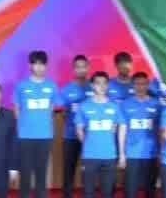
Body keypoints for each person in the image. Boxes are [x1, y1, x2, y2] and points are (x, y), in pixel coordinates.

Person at [13, 51, 62, 198]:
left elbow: (53, 106)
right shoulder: (21, 86)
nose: (39, 67)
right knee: (25, 173)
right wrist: (21, 128)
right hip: (25, 136)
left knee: (41, 173)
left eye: (42, 64)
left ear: (46, 66)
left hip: (45, 136)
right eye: (36, 64)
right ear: (30, 65)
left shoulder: (52, 86)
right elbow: (16, 109)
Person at [76, 72, 127, 198]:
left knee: (108, 193)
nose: (102, 86)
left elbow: (122, 127)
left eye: (105, 83)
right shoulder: (84, 106)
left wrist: (121, 154)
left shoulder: (115, 106)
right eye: (98, 83)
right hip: (90, 156)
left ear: (108, 85)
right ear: (92, 85)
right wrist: (88, 144)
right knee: (88, 193)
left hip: (109, 156)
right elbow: (79, 129)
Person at [59, 55, 93, 198]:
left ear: (88, 68)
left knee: (88, 171)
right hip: (70, 136)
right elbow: (62, 112)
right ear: (73, 69)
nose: (81, 70)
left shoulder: (94, 87)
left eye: (83, 66)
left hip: (91, 138)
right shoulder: (66, 90)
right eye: (78, 67)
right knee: (69, 170)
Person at [121, 73, 158, 198]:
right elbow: (123, 130)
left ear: (148, 85)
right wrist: (122, 153)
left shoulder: (156, 104)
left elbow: (160, 130)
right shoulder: (126, 104)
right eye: (137, 84)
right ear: (133, 85)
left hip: (151, 154)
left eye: (144, 84)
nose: (141, 87)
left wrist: (160, 151)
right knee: (130, 190)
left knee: (150, 190)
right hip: (132, 154)